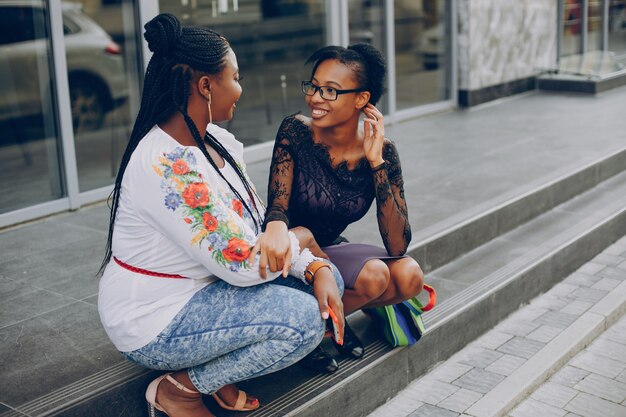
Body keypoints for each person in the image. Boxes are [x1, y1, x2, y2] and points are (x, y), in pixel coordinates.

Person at [97, 14, 344, 417]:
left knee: (328, 277)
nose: (241, 89)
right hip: (154, 316)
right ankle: (182, 389)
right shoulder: (166, 167)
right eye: (236, 76)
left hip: (207, 286)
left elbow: (258, 230)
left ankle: (212, 368)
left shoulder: (218, 141)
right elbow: (244, 264)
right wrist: (300, 239)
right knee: (303, 320)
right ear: (206, 85)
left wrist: (314, 266)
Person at [262, 44, 424, 372]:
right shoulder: (295, 131)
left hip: (330, 248)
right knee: (375, 275)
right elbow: (277, 207)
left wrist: (376, 162)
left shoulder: (383, 152)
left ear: (361, 99)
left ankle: (326, 323)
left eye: (331, 91)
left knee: (408, 276)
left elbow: (397, 245)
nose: (316, 98)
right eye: (314, 86)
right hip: (291, 250)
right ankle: (316, 333)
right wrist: (278, 232)